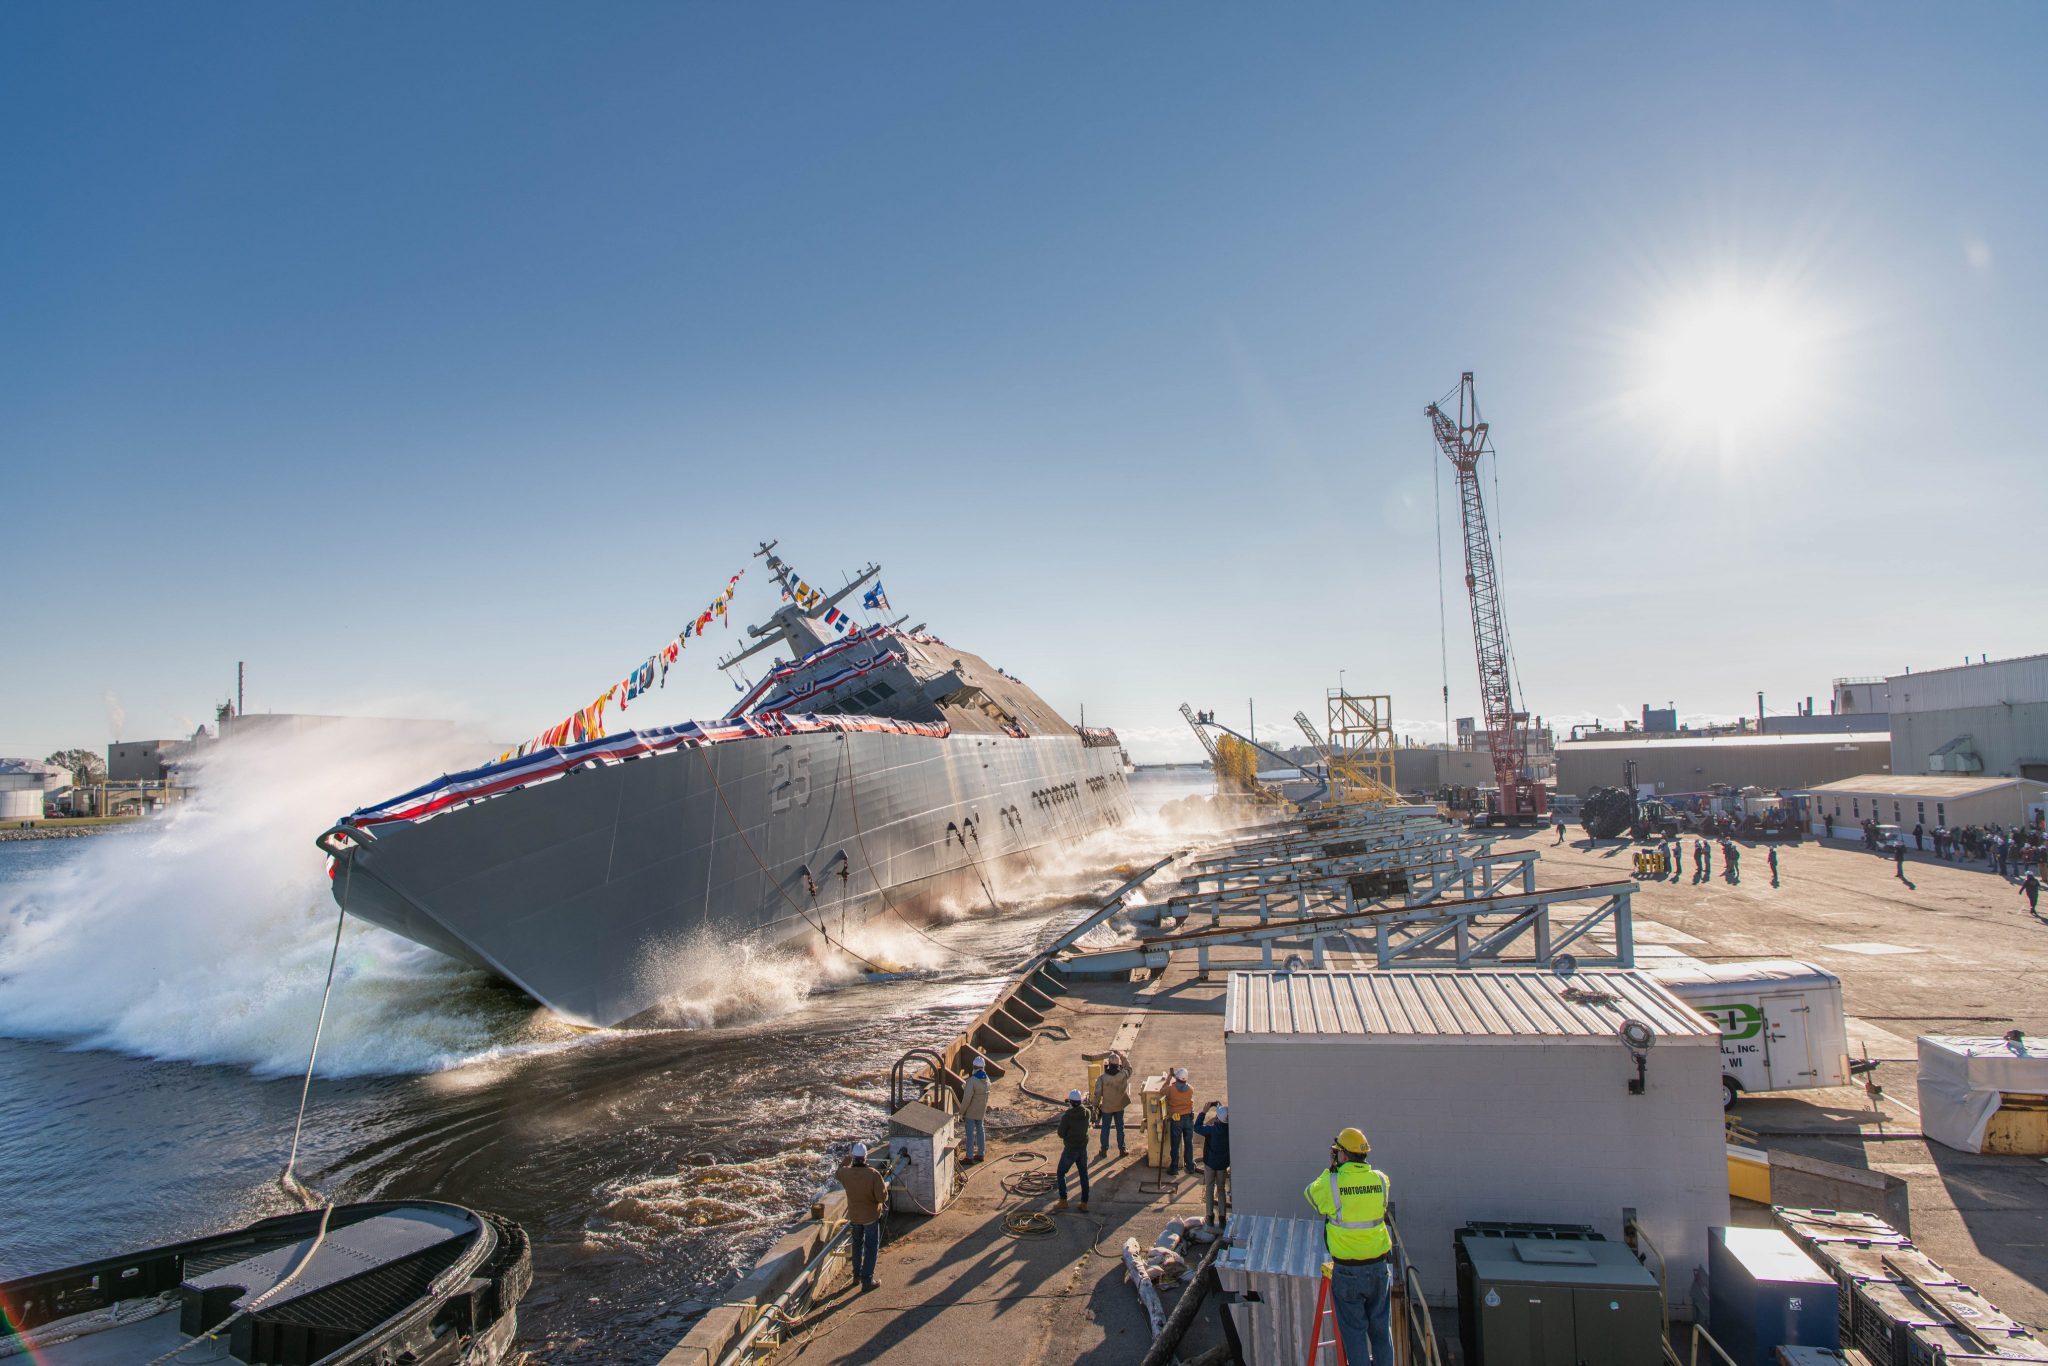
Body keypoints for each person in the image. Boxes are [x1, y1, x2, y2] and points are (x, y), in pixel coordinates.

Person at [1304, 1127, 1394, 1366]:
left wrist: (1330, 1169)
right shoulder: (1381, 1179)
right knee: (1381, 1331)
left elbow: (1310, 1195)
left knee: (1354, 1334)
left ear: (1342, 1154)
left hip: (1348, 1271)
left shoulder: (1331, 1182)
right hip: (1378, 1268)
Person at [837, 1142, 889, 1292]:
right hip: (870, 1217)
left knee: (857, 1245)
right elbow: (882, 1197)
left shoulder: (845, 1174)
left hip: (854, 1217)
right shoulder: (873, 1174)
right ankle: (867, 1280)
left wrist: (847, 1158)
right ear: (866, 1157)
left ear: (853, 1157)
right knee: (871, 1248)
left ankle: (856, 1276)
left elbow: (838, 1171)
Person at [1194, 1101, 1232, 1226]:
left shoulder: (1211, 1130)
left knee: (1209, 1188)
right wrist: (1219, 1107)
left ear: (1217, 1118)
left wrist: (1203, 1112)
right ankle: (1222, 1217)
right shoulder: (1230, 1131)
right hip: (1222, 1165)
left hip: (1210, 1163)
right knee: (1221, 1189)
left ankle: (1209, 1216)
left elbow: (1197, 1127)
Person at [1054, 1089, 1091, 1212]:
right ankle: (1084, 1203)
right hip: (1082, 1148)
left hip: (1070, 1149)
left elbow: (1061, 1133)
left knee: (1061, 1173)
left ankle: (1063, 1201)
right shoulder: (1087, 1113)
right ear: (1080, 1101)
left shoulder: (1067, 1117)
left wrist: (1068, 1135)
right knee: (1084, 1175)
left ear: (1070, 1101)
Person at [1093, 1054, 1131, 1158]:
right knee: (1120, 1128)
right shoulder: (1123, 1075)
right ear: (1118, 1065)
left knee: (1105, 1128)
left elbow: (1097, 1094)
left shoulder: (1102, 1078)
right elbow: (1129, 1068)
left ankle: (1104, 1150)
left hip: (1107, 1108)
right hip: (1119, 1106)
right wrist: (1122, 1056)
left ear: (1108, 1064)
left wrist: (1095, 1107)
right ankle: (1122, 1150)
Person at [1164, 1067, 1196, 1176]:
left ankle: (1174, 1168)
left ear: (1176, 1078)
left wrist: (1169, 1078)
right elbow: (1184, 1087)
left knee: (1175, 1144)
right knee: (1188, 1143)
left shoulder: (1171, 1089)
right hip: (1188, 1119)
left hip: (1176, 1119)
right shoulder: (1190, 1089)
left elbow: (1162, 1090)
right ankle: (1190, 1166)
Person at [960, 1055, 990, 1165]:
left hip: (971, 1112)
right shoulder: (987, 1079)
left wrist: (961, 1112)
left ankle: (969, 1157)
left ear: (974, 1067)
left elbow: (966, 1099)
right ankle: (981, 1154)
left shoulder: (972, 1081)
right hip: (981, 1109)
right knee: (980, 1130)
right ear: (983, 1067)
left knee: (970, 1134)